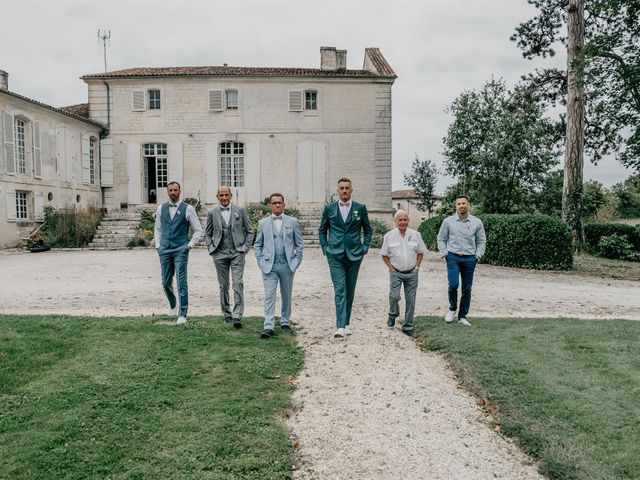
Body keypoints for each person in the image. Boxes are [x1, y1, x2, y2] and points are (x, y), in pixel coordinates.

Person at [319, 178, 373, 338]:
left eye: (347, 188)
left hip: (355, 254)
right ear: (337, 191)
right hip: (334, 254)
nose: (344, 191)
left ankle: (347, 323)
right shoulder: (329, 209)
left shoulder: (360, 208)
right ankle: (340, 326)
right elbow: (322, 230)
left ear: (351, 190)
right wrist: (325, 248)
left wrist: (365, 247)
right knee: (340, 288)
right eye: (341, 188)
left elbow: (368, 230)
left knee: (350, 290)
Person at [254, 193, 304, 339]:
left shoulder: (292, 222)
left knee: (286, 294)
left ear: (283, 205)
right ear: (269, 205)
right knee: (269, 295)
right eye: (274, 203)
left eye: (279, 203)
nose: (277, 205)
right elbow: (258, 245)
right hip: (269, 265)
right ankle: (268, 326)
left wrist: (295, 262)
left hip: (287, 265)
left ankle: (285, 321)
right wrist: (261, 262)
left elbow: (299, 244)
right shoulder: (263, 223)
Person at [204, 186, 254, 328]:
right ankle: (227, 314)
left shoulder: (240, 211)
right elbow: (207, 233)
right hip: (219, 253)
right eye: (221, 195)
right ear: (217, 196)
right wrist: (211, 248)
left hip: (237, 252)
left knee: (238, 283)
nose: (224, 198)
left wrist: (244, 248)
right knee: (223, 285)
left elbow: (250, 231)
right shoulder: (212, 213)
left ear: (231, 195)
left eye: (226, 195)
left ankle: (237, 315)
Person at [153, 181, 202, 325]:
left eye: (175, 190)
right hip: (165, 249)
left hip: (181, 248)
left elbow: (198, 229)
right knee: (165, 281)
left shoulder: (188, 208)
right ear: (167, 192)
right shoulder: (161, 208)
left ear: (180, 191)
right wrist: (158, 245)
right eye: (170, 190)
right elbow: (157, 228)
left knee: (181, 282)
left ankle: (183, 313)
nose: (173, 192)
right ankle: (173, 304)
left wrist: (190, 245)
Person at [437, 195, 486, 326]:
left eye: (464, 203)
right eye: (459, 204)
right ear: (456, 206)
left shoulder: (477, 222)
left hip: (470, 258)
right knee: (453, 285)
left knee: (467, 289)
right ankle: (452, 309)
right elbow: (441, 238)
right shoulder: (448, 221)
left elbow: (481, 240)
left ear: (468, 205)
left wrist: (478, 255)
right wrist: (444, 253)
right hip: (453, 257)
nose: (461, 206)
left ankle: (462, 316)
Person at [380, 209, 427, 336]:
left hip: (412, 273)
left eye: (405, 219)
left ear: (408, 221)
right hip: (396, 272)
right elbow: (384, 255)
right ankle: (393, 314)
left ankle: (408, 325)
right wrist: (390, 267)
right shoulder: (389, 236)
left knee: (411, 300)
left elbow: (421, 253)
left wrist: (416, 267)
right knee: (394, 296)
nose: (403, 222)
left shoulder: (416, 235)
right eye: (400, 220)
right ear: (395, 221)